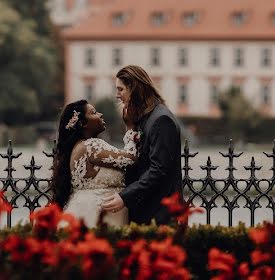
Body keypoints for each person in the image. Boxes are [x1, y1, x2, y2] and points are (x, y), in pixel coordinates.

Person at [101, 65, 182, 224]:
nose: (117, 95)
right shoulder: (146, 118)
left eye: (121, 89)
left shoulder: (161, 120)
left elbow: (158, 170)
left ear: (134, 89)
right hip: (146, 211)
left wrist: (125, 197)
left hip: (159, 214)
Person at [51, 100, 138, 228]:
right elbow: (131, 158)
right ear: (82, 123)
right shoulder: (91, 146)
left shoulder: (77, 146)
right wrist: (130, 128)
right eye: (94, 113)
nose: (100, 114)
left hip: (86, 210)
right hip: (98, 215)